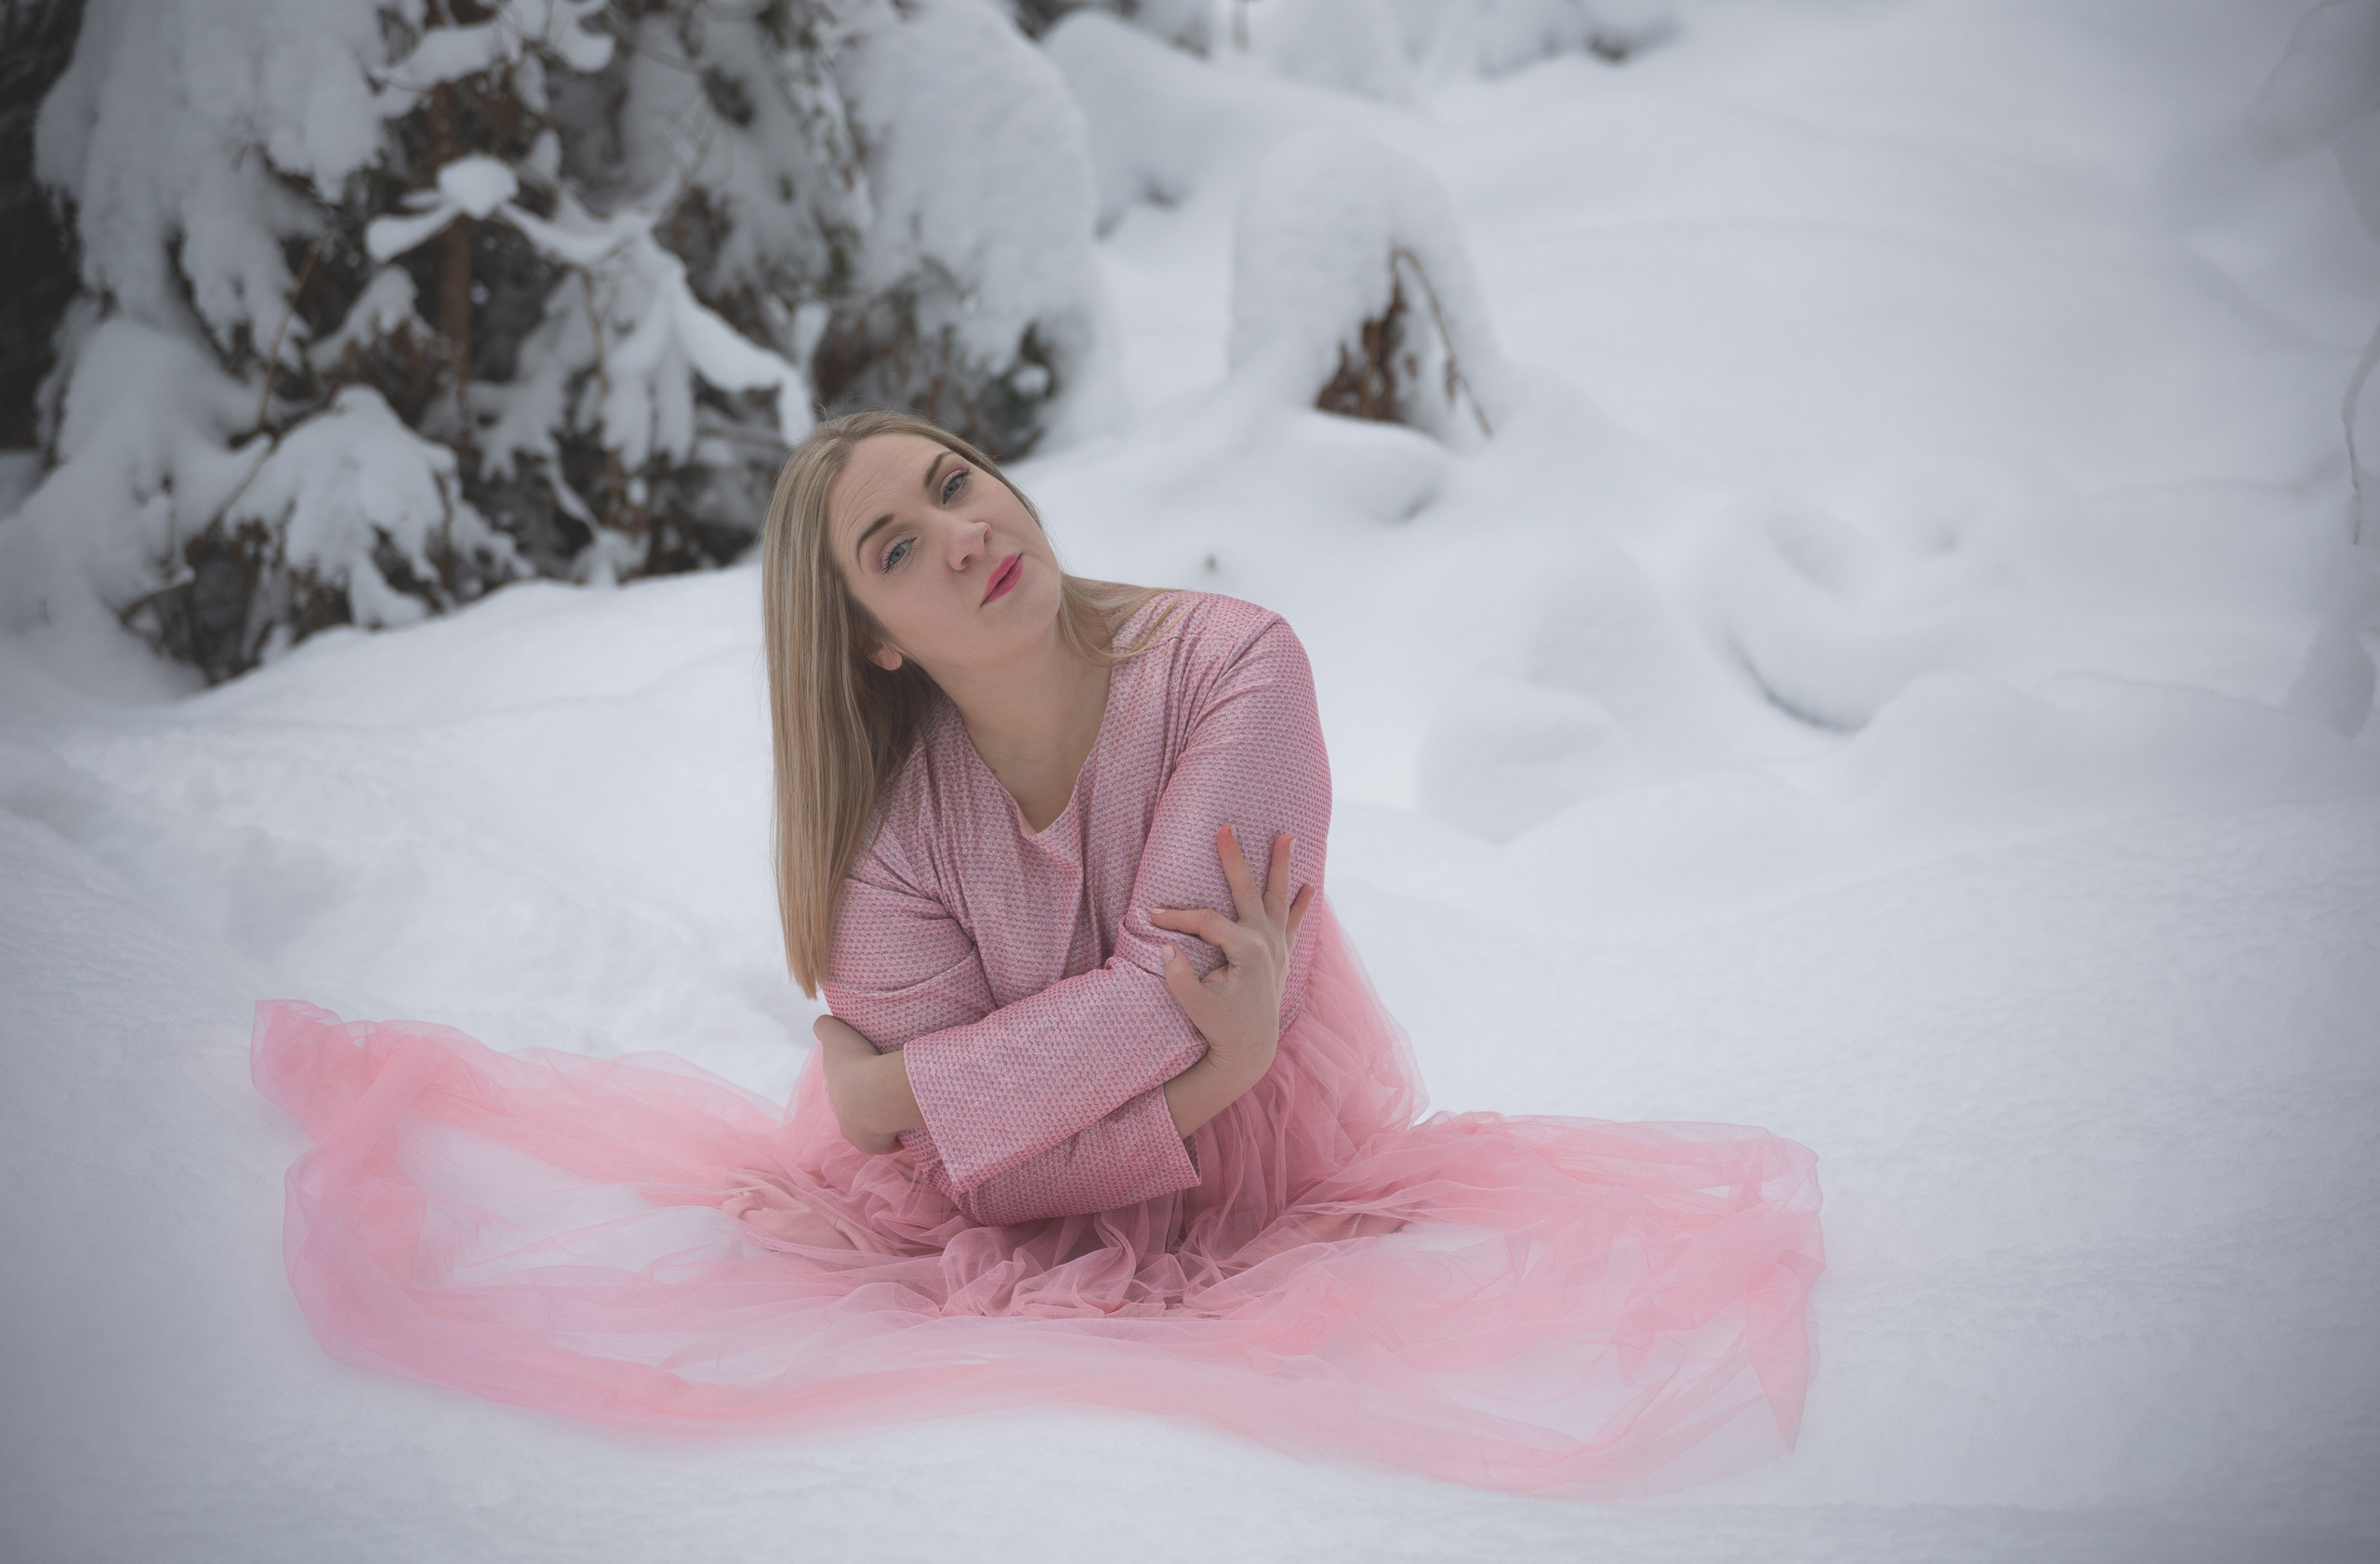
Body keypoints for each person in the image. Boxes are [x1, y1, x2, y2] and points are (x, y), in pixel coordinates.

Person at [251, 410, 1825, 1497]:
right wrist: (1184, 1062)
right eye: (894, 545)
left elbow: (1140, 1005)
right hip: (1014, 1201)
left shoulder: (1233, 667)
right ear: (874, 636)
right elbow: (987, 1184)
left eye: (953, 482)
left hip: (1276, 1160)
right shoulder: (892, 840)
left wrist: (908, 1090)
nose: (962, 532)